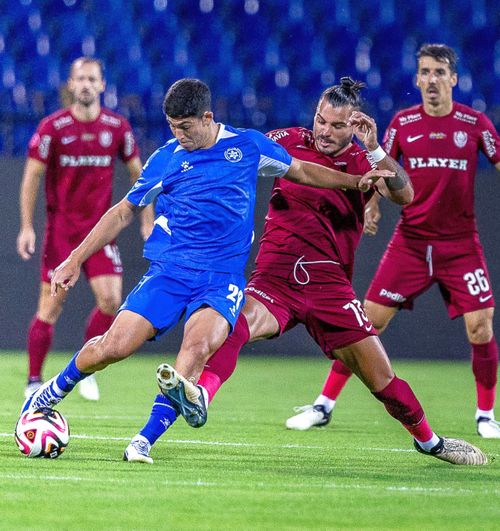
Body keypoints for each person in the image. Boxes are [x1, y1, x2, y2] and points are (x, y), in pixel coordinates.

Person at [123, 77, 488, 467]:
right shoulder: (286, 139)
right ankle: (193, 402)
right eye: (320, 120)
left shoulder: (367, 160)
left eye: (335, 125)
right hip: (275, 277)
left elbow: (405, 194)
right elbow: (230, 152)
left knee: (382, 380)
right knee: (231, 327)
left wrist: (376, 148)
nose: (324, 131)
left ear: (355, 125)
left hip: (331, 287)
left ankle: (430, 442)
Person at [20, 78, 387, 433]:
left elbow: (303, 170)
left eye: (185, 127)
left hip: (220, 279)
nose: (179, 134)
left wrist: (354, 182)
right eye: (172, 127)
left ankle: (144, 439)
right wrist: (75, 258)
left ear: (207, 118)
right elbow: (122, 211)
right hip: (171, 273)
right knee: (114, 347)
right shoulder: (166, 158)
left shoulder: (247, 146)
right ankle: (51, 391)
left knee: (194, 353)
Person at [285, 44, 500, 439]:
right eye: (424, 72)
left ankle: (486, 415)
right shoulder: (402, 123)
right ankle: (324, 405)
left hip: (460, 246)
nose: (431, 79)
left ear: (454, 79)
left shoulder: (476, 123)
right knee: (366, 325)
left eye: (439, 72)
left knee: (481, 326)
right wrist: (371, 207)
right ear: (417, 79)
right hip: (411, 243)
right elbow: (379, 168)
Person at [17, 57, 153, 401]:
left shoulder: (117, 128)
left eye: (93, 79)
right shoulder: (53, 127)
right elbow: (31, 176)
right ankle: (34, 380)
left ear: (103, 85)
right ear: (71, 84)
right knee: (50, 307)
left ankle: (84, 367)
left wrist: (147, 219)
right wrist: (26, 226)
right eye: (81, 79)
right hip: (62, 232)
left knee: (111, 301)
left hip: (99, 233)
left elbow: (140, 175)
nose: (87, 85)